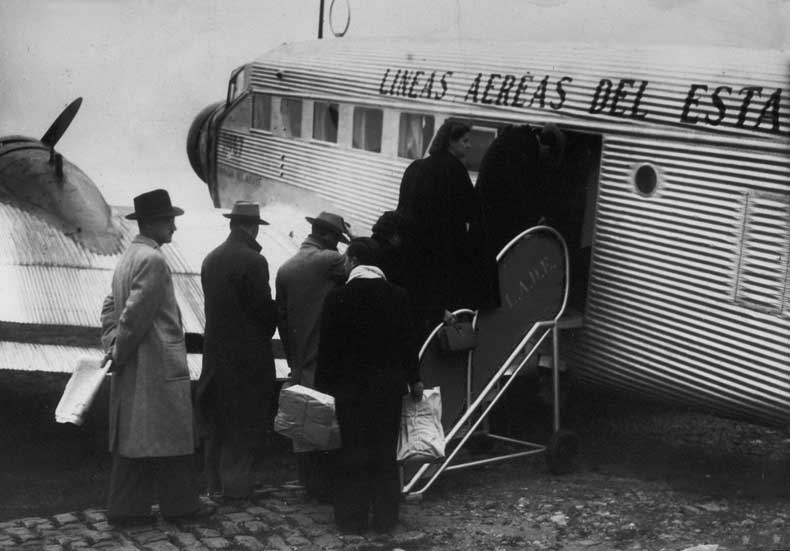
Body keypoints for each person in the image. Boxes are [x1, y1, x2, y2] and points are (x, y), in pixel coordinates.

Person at [100, 189, 212, 526]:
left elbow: (110, 307)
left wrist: (112, 344)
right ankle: (181, 507)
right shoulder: (153, 260)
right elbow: (135, 316)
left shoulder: (129, 257)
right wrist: (118, 351)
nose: (174, 227)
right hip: (156, 366)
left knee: (135, 440)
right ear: (151, 222)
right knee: (172, 438)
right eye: (169, 221)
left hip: (138, 366)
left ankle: (126, 508)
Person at [315, 237, 423, 534]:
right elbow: (408, 343)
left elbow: (327, 350)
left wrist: (322, 388)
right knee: (385, 452)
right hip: (388, 389)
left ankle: (353, 519)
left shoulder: (336, 298)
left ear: (353, 261)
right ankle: (385, 519)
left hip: (349, 390)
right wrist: (414, 378)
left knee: (352, 451)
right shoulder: (398, 296)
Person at [196, 201, 278, 501]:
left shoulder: (211, 258)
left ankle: (214, 484)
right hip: (247, 357)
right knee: (244, 419)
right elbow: (263, 313)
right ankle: (238, 486)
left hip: (215, 354)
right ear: (252, 227)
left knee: (216, 419)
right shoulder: (255, 261)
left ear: (233, 224)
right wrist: (278, 311)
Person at [275, 210, 349, 500]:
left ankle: (309, 483)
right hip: (326, 356)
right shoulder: (330, 260)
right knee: (329, 423)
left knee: (304, 423)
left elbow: (282, 320)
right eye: (337, 239)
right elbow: (361, 268)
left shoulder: (285, 268)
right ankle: (328, 486)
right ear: (327, 236)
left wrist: (294, 358)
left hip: (300, 358)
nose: (339, 245)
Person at [397, 120, 495, 338]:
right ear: (451, 142)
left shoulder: (416, 168)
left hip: (415, 249)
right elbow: (472, 211)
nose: (469, 145)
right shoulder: (455, 170)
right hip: (445, 252)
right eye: (465, 141)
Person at [476, 124, 542, 256]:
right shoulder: (524, 151)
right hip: (503, 224)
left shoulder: (504, 145)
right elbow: (521, 193)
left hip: (486, 219)